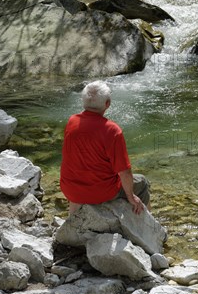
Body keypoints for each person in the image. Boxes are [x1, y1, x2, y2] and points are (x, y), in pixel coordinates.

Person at [60, 80, 150, 215]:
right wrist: (131, 197)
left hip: (70, 190)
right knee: (142, 183)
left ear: (83, 102)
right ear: (107, 104)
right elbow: (124, 172)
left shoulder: (72, 121)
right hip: (100, 193)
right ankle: (145, 228)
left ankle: (72, 218)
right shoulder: (112, 130)